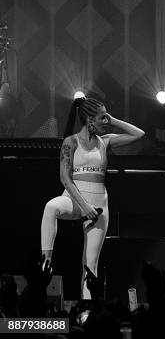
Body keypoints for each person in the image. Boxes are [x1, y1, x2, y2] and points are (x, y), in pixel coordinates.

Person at [41, 97, 144, 299]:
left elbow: (139, 134)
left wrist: (113, 119)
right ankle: (46, 262)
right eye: (101, 118)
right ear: (89, 120)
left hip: (99, 204)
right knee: (51, 207)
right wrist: (84, 207)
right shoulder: (71, 142)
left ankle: (87, 310)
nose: (105, 121)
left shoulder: (105, 141)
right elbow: (65, 178)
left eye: (106, 117)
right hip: (76, 200)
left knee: (90, 265)